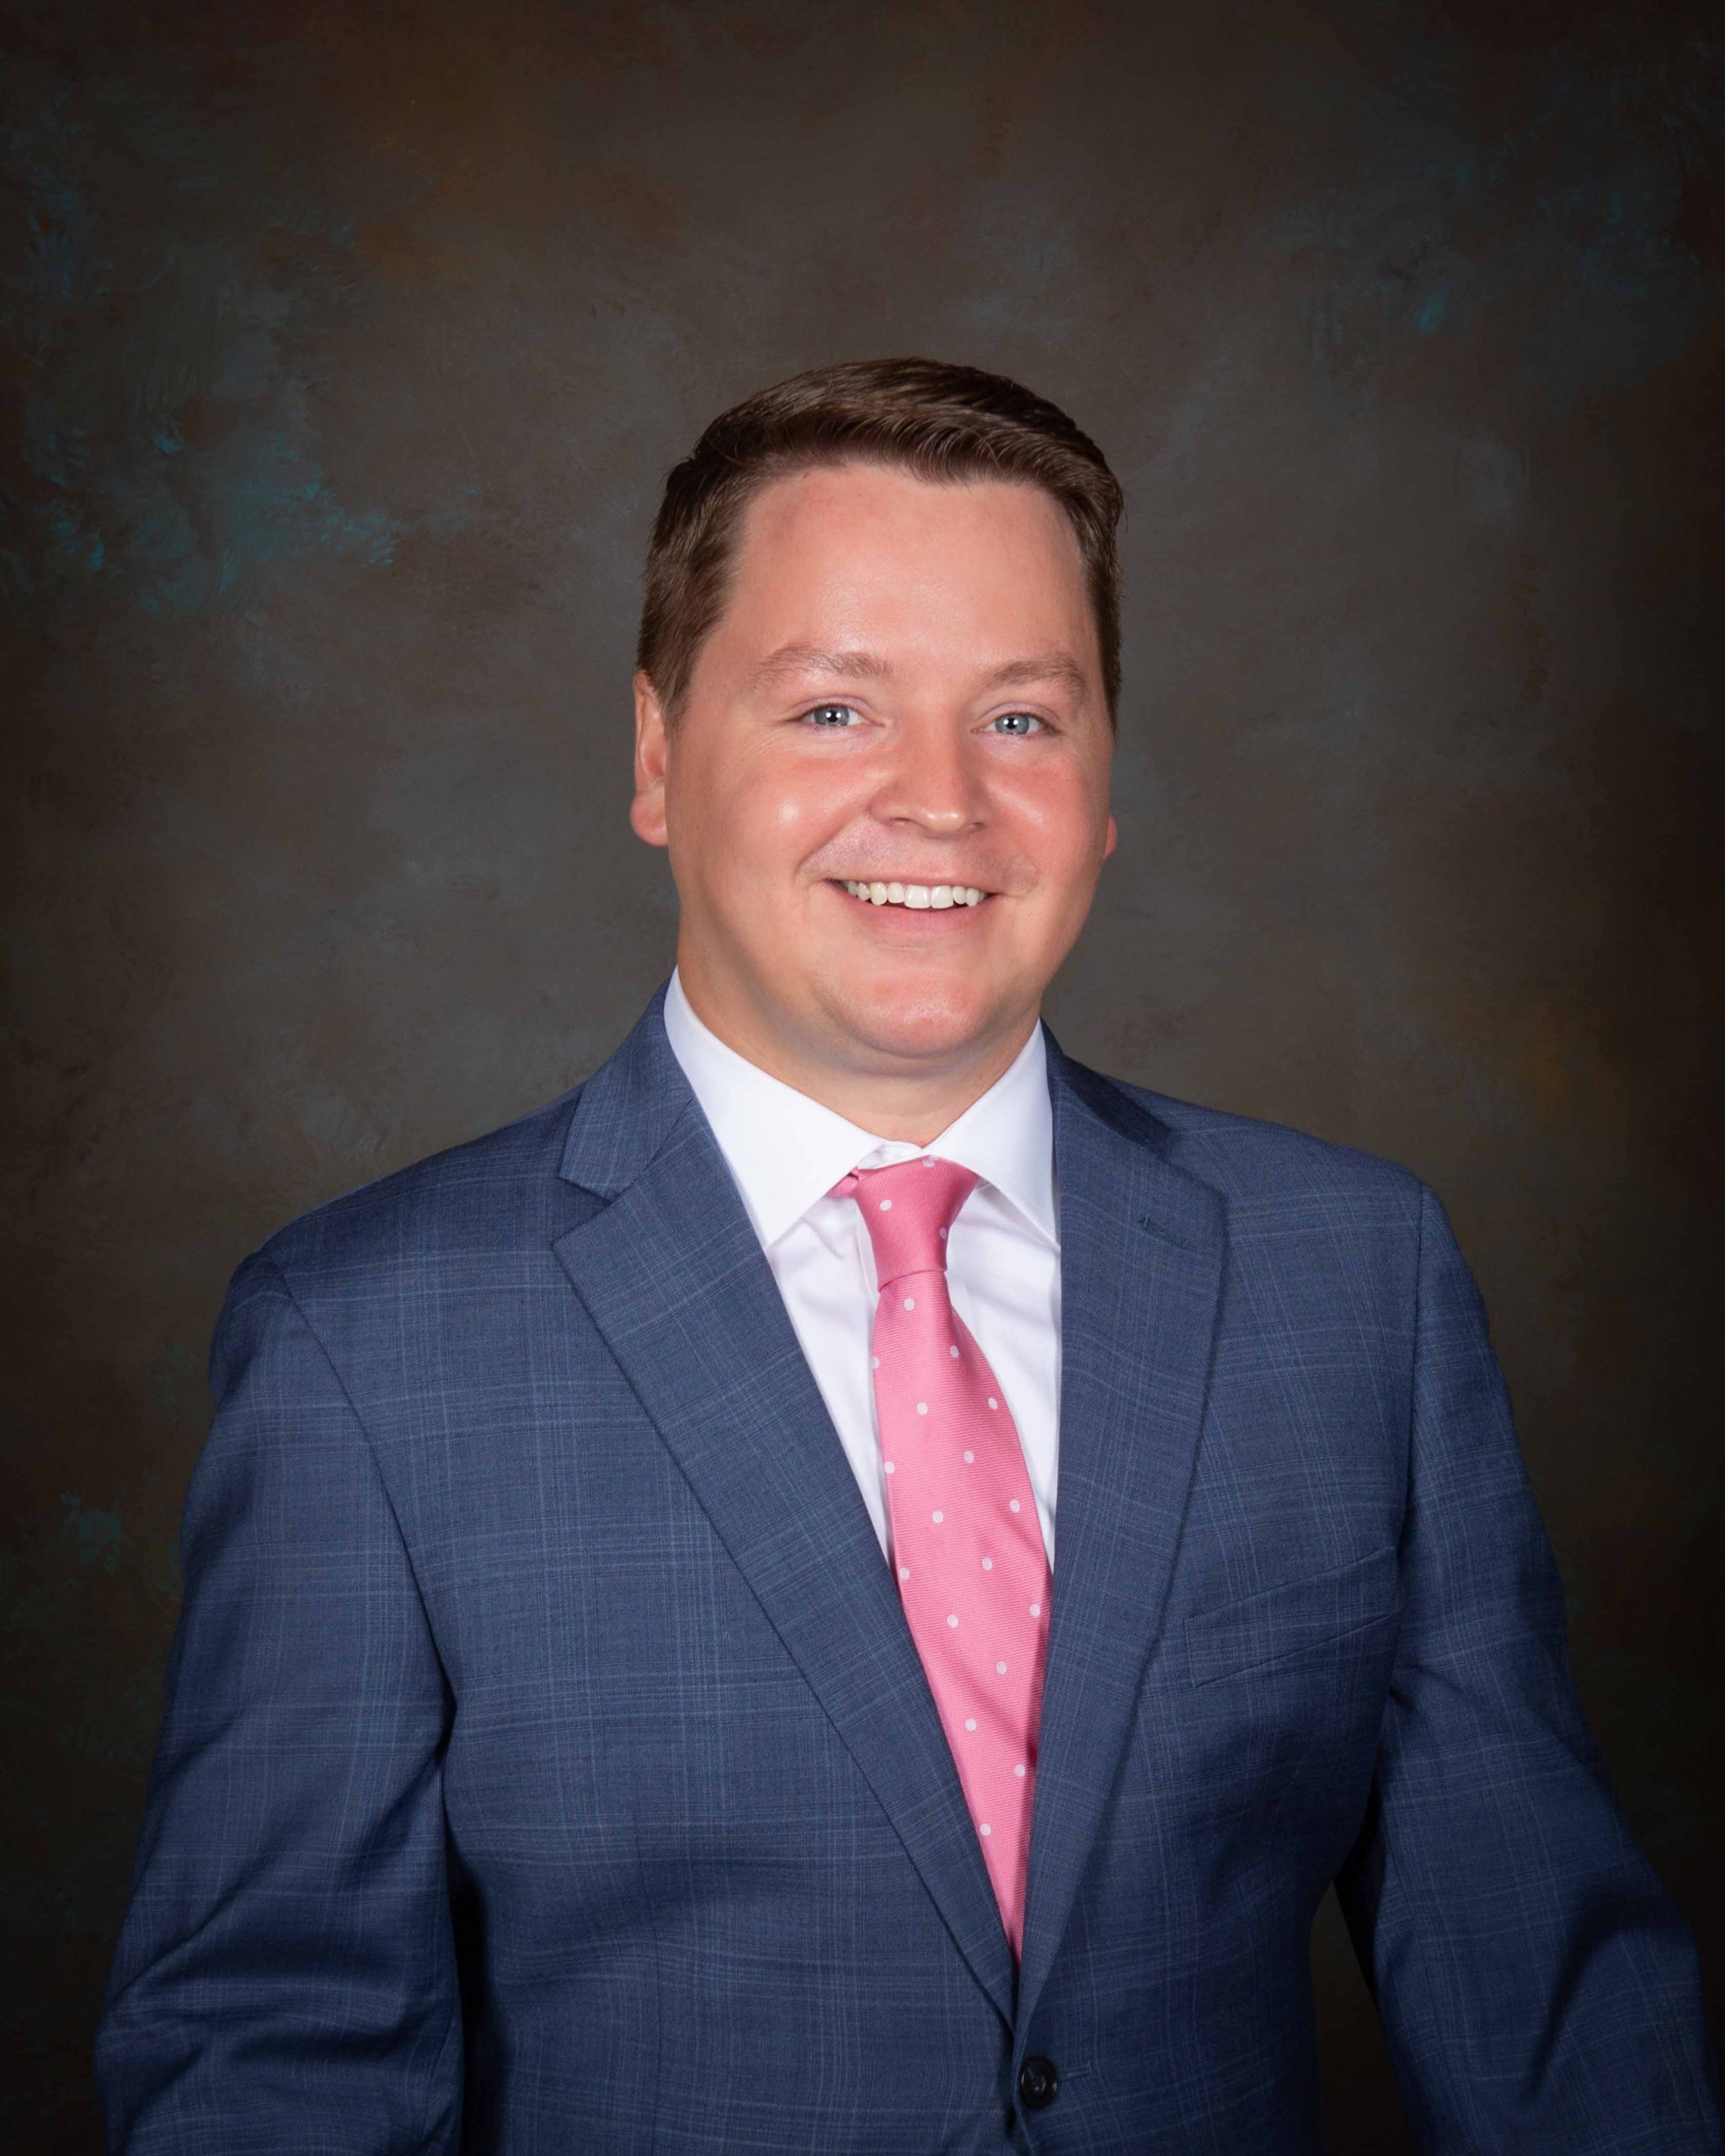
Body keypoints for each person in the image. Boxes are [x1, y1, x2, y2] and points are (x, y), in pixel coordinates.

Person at [94, 358, 1720, 2153]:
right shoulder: (366, 1342)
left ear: (1105, 778)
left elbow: (1543, 1989)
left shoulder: (1352, 1275)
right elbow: (275, 2060)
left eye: (1021, 717)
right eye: (832, 711)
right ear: (655, 756)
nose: (940, 801)